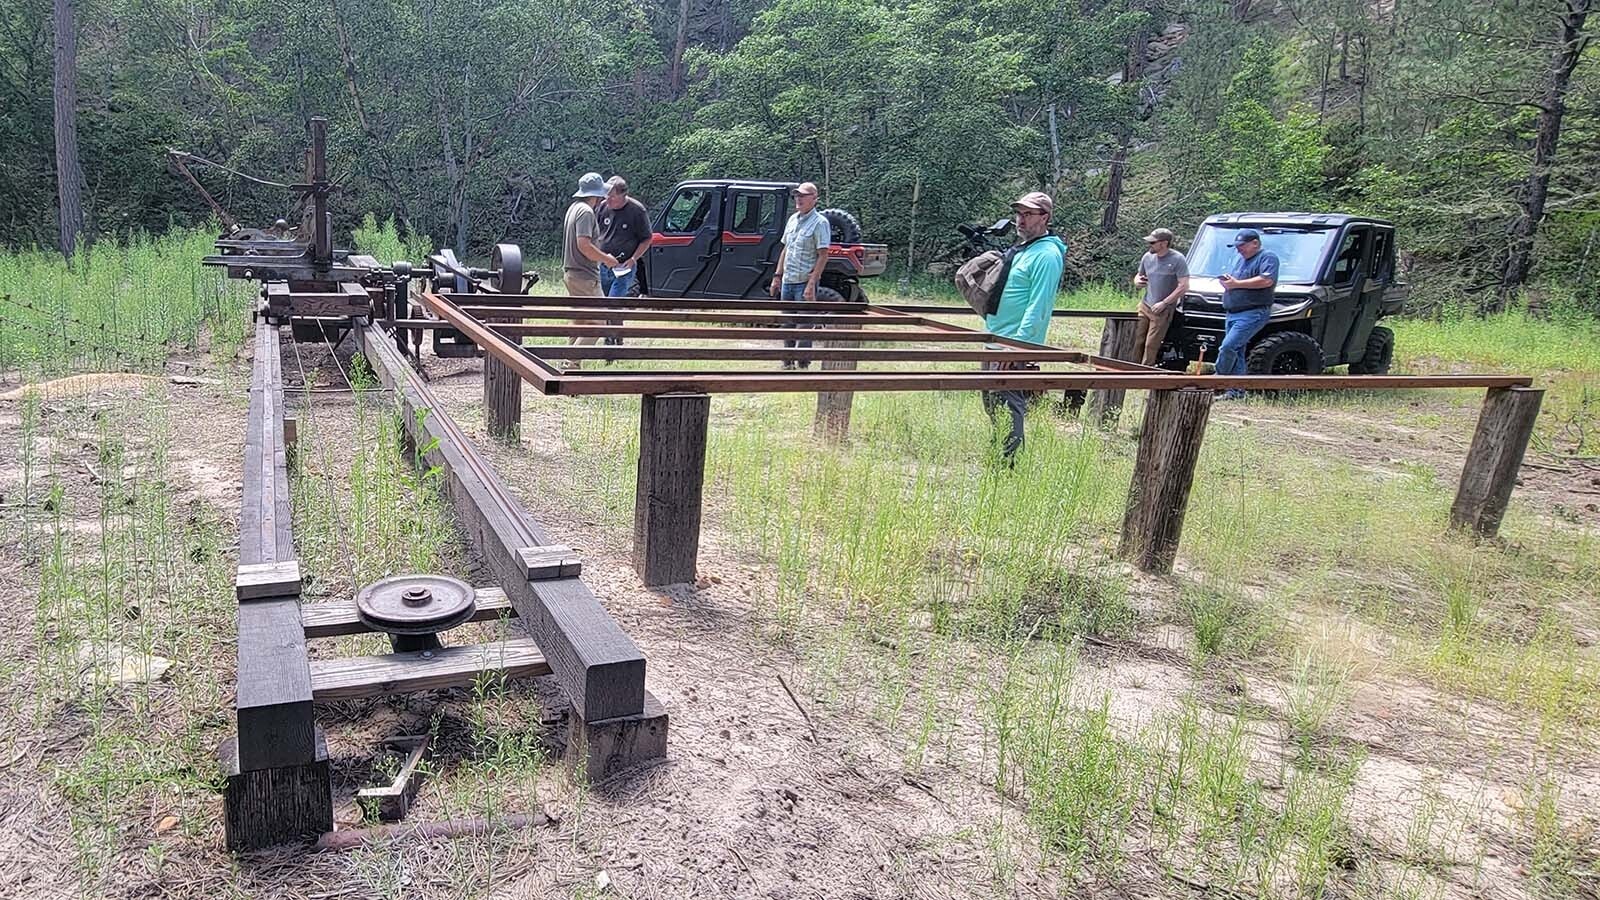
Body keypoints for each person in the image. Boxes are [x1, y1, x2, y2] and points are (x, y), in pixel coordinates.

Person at [981, 191, 1067, 463]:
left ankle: (1007, 465)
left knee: (1008, 404)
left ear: (1044, 217)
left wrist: (1015, 349)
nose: (1020, 219)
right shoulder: (1025, 249)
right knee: (994, 403)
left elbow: (1039, 307)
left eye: (1028, 214)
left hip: (1012, 345)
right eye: (1019, 213)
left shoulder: (1047, 254)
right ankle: (999, 455)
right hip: (996, 339)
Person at [768, 182, 831, 369]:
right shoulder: (793, 220)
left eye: (803, 195)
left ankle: (803, 364)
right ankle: (787, 363)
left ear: (814, 198)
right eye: (796, 195)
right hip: (788, 280)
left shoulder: (820, 222)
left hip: (805, 281)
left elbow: (823, 255)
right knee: (787, 324)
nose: (799, 199)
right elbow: (786, 249)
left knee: (804, 326)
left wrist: (812, 283)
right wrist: (777, 276)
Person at [561, 172, 621, 368]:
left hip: (572, 274)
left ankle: (568, 364)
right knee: (597, 324)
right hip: (585, 277)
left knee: (580, 322)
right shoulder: (586, 212)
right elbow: (584, 245)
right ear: (596, 194)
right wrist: (607, 259)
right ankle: (572, 363)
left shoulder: (573, 208)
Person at [1214, 228, 1279, 399]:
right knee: (1237, 350)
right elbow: (1237, 281)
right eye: (1237, 246)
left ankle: (1216, 380)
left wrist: (1236, 284)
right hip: (1233, 312)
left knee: (1228, 346)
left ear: (1255, 243)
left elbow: (1266, 280)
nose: (1239, 249)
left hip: (1253, 312)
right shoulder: (1240, 260)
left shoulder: (1268, 257)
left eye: (1242, 245)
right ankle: (1236, 390)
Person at [596, 176, 653, 346]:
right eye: (607, 195)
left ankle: (610, 341)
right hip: (604, 263)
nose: (608, 199)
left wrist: (634, 258)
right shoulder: (602, 208)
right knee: (607, 303)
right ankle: (616, 338)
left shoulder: (637, 210)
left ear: (623, 194)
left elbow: (647, 239)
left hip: (624, 266)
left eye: (612, 196)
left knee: (614, 303)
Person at [1131, 227, 1189, 367]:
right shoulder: (1147, 257)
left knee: (1151, 344)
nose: (1150, 245)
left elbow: (1184, 286)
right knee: (1136, 338)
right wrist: (1137, 281)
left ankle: (1145, 372)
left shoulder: (1177, 259)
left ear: (1164, 243)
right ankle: (1131, 368)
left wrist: (1165, 303)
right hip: (1146, 304)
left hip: (1163, 309)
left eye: (1153, 242)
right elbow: (1139, 275)